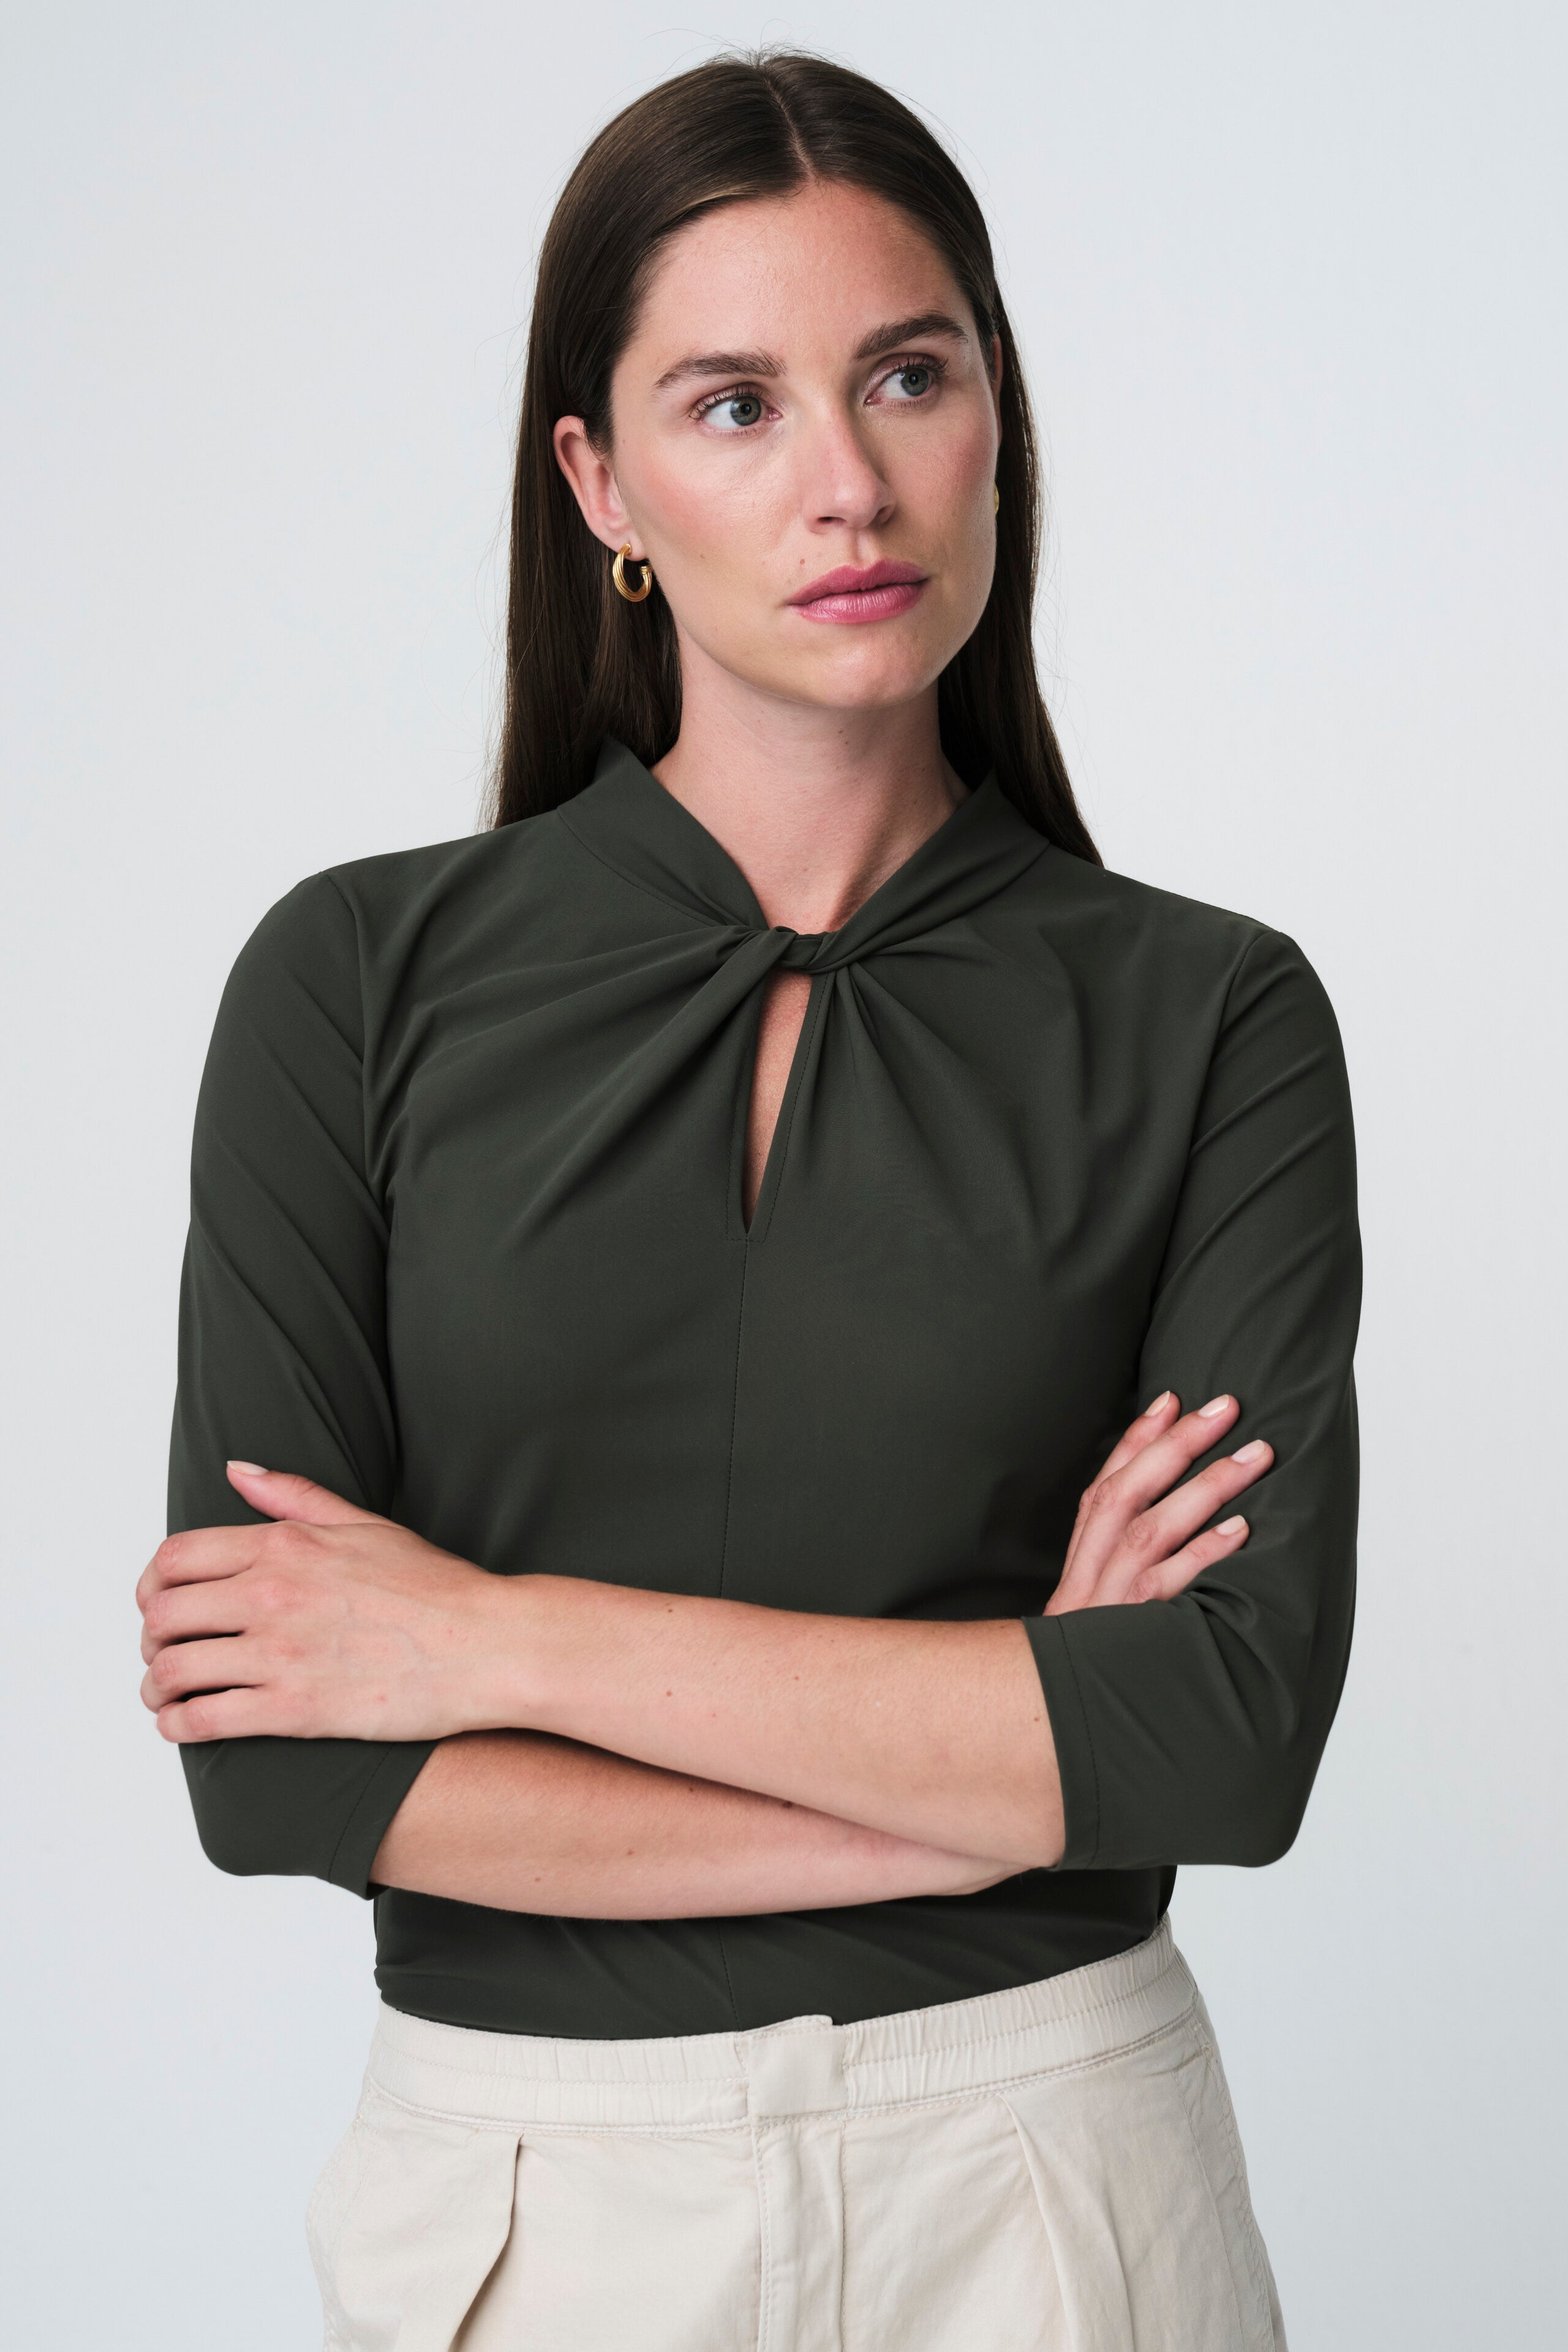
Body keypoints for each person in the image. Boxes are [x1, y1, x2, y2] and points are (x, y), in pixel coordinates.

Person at [138, 49, 1358, 2352]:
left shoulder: (1211, 1015)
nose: (849, 483)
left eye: (909, 374)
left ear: (996, 410)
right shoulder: (353, 982)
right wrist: (1003, 1775)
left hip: (1051, 2185)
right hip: (528, 2203)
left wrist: (492, 1642)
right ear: (599, 483)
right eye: (734, 404)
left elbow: (1218, 1733)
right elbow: (281, 1759)